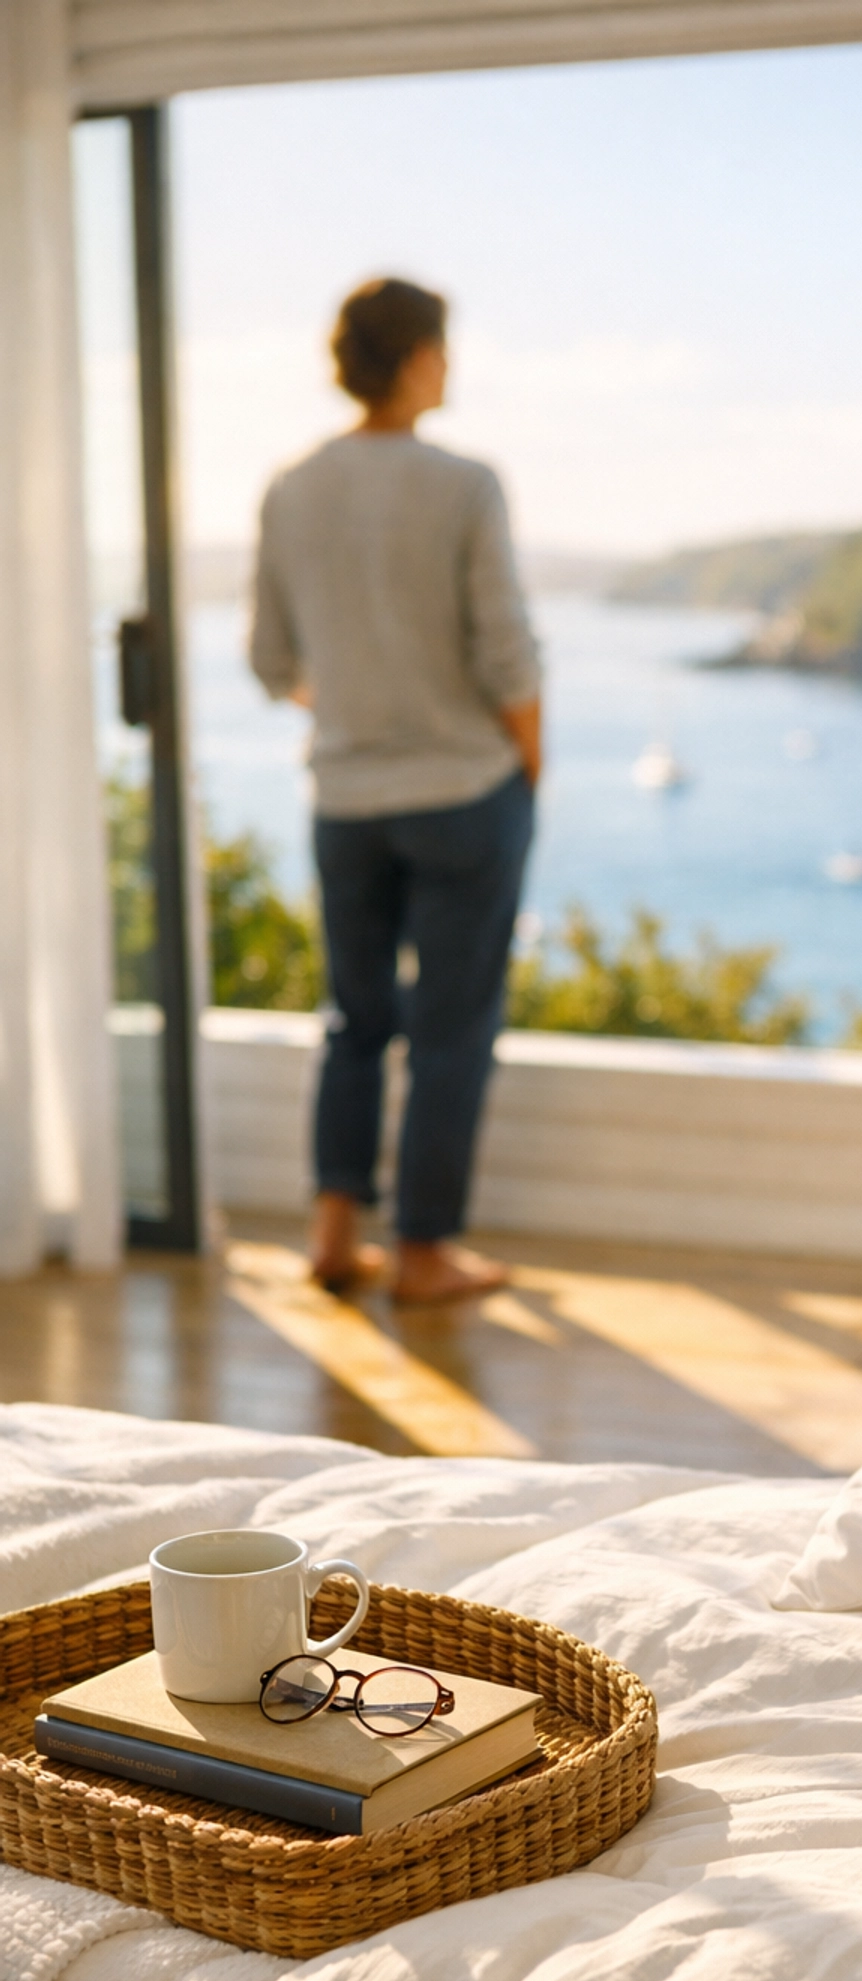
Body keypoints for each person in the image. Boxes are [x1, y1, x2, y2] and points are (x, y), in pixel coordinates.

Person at [250, 277, 542, 1304]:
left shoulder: (291, 487)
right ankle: (423, 1253)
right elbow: (506, 653)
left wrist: (357, 711)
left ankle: (332, 1234)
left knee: (355, 1018)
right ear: (416, 358)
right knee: (452, 1028)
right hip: (466, 788)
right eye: (444, 347)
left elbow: (271, 658)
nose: (451, 366)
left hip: (344, 796)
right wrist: (530, 764)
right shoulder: (464, 483)